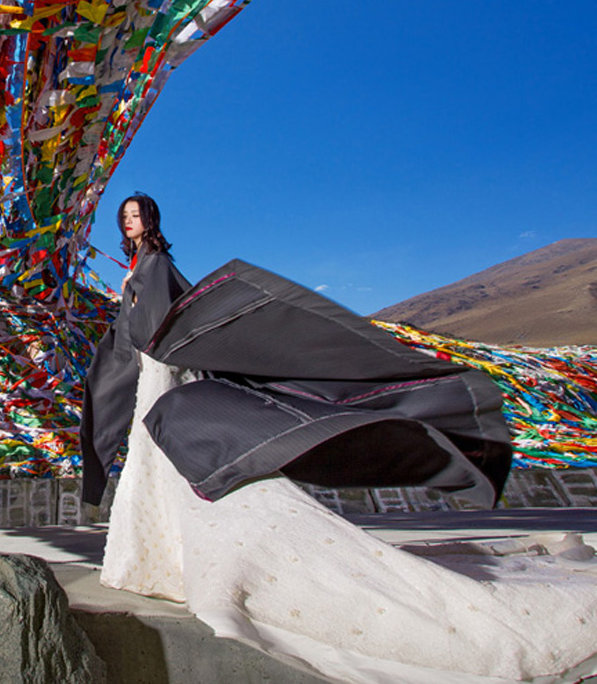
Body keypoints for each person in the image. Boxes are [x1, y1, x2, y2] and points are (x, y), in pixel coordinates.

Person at [81, 193, 597, 684]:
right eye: (123, 216)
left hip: (165, 376)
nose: (128, 222)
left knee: (179, 462)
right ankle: (159, 560)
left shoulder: (158, 267)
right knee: (155, 465)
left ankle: (188, 561)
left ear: (151, 219)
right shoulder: (133, 271)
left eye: (135, 214)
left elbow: (179, 319)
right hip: (149, 377)